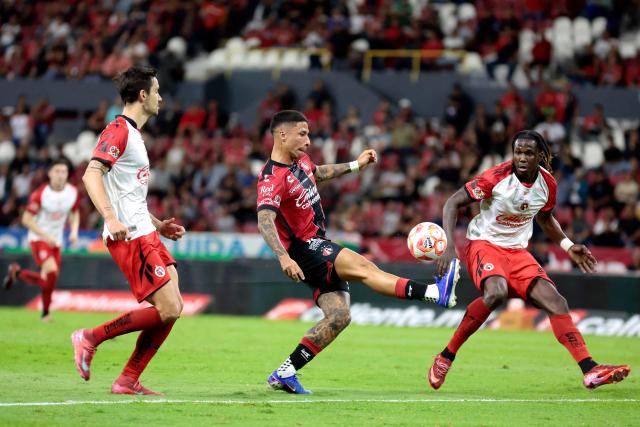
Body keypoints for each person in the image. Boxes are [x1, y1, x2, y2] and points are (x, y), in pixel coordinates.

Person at [257, 110, 461, 394]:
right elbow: (264, 219)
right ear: (282, 135)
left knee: (339, 317)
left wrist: (356, 165)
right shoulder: (271, 178)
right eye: (302, 134)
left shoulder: (301, 161)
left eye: (308, 133)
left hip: (316, 243)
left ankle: (285, 372)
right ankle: (435, 293)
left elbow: (318, 173)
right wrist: (283, 256)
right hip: (304, 249)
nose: (308, 140)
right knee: (366, 269)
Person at [429, 130, 631, 391]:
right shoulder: (495, 178)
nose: (522, 157)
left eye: (528, 153)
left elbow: (545, 219)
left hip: (517, 252)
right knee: (496, 293)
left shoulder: (548, 184)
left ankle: (590, 369)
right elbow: (452, 203)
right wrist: (448, 245)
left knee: (557, 302)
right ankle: (446, 356)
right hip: (484, 245)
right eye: (518, 152)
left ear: (540, 156)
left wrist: (568, 245)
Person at [70, 66, 186, 395]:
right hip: (129, 235)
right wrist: (110, 217)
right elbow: (91, 175)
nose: (162, 97)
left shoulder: (134, 135)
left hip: (144, 230)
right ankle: (90, 336)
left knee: (173, 307)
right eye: (157, 90)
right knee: (168, 308)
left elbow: (128, 192)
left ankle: (127, 380)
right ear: (143, 95)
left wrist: (159, 224)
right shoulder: (119, 130)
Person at [3, 159, 80, 321]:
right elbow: (26, 219)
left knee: (49, 279)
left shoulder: (72, 192)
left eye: (63, 172)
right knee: (51, 271)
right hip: (39, 238)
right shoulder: (41, 194)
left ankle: (18, 273)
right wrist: (46, 236)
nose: (60, 175)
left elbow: (74, 213)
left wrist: (74, 232)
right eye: (57, 171)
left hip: (56, 241)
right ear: (50, 174)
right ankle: (45, 313)